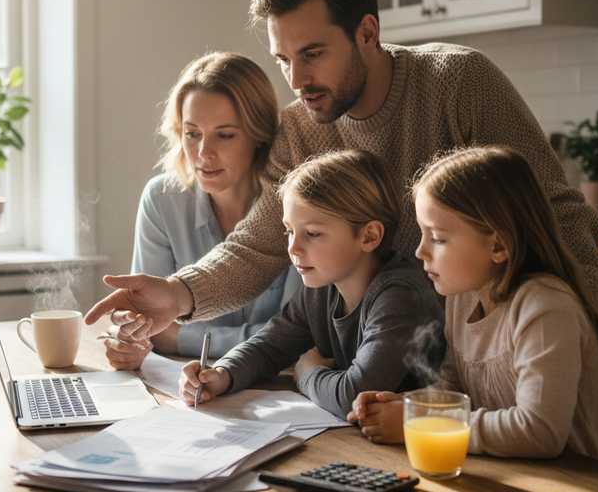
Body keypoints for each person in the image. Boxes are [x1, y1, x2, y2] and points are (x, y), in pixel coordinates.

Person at [85, 0, 598, 359]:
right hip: (388, 367)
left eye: (313, 54)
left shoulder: (457, 82)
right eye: (283, 60)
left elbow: (559, 214)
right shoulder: (299, 130)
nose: (297, 80)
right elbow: (257, 246)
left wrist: (588, 318)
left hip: (497, 351)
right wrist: (178, 293)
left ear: (367, 32)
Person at [349, 146, 598, 474]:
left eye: (438, 238)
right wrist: (406, 405)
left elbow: (540, 431)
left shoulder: (545, 306)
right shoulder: (463, 299)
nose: (420, 251)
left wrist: (416, 420)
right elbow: (452, 389)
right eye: (423, 234)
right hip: (531, 478)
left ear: (498, 245)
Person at [177, 150, 444, 418]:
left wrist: (307, 373)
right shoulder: (322, 288)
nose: (293, 248)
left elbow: (355, 396)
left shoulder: (400, 296)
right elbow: (270, 346)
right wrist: (222, 374)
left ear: (369, 236)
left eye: (313, 233)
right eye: (289, 231)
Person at [101, 52, 300, 370]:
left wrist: (179, 337)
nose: (204, 153)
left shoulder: (297, 205)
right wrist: (130, 339)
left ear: (259, 135)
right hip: (183, 383)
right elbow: (148, 325)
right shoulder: (162, 200)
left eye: (225, 135)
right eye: (192, 134)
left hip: (280, 385)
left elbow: (294, 338)